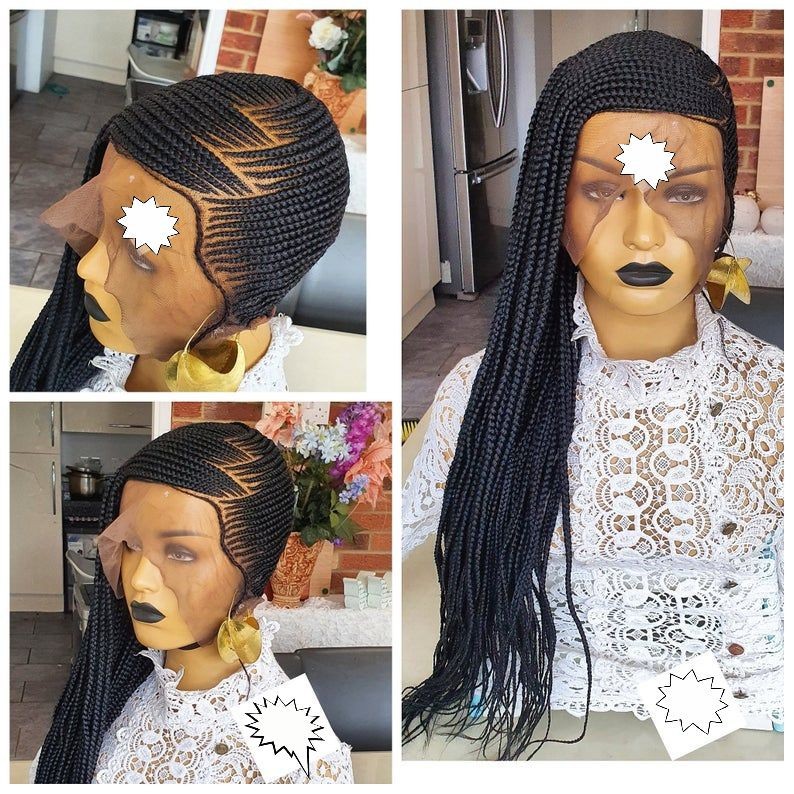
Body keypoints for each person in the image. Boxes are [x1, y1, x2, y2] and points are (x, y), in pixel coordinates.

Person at [402, 30, 783, 760]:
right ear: (554, 201)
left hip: (726, 739)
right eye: (602, 190)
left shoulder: (775, 401)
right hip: (521, 719)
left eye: (684, 192)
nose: (642, 234)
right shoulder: (484, 393)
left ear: (724, 209)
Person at [34, 422, 354, 783]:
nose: (139, 579)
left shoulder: (291, 741)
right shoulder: (117, 678)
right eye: (132, 545)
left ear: (254, 568)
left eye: (180, 553)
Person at [11, 73, 349, 392]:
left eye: (140, 259)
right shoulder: (80, 338)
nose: (88, 267)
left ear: (250, 295)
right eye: (104, 222)